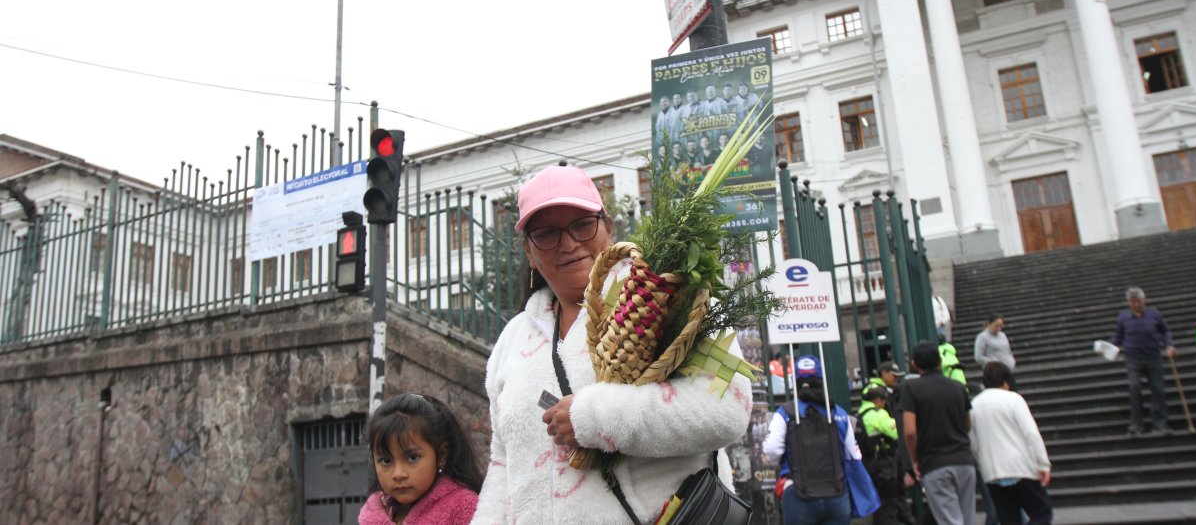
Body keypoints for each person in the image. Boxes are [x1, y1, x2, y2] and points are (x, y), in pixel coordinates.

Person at [471, 165, 751, 524]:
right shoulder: (512, 340)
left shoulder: (666, 300)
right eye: (546, 233)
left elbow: (727, 408)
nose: (568, 243)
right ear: (529, 253)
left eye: (582, 224)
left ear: (608, 226)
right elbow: (503, 461)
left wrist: (593, 418)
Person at [763, 355, 880, 525]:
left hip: (798, 494)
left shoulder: (786, 412)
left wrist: (776, 462)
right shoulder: (838, 413)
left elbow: (772, 450)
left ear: (795, 382)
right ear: (821, 381)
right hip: (836, 494)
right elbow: (853, 455)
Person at [359, 393, 483, 525]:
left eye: (412, 458)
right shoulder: (373, 514)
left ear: (442, 455)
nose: (398, 474)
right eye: (386, 461)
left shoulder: (464, 508)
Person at [898, 341, 975, 525]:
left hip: (934, 462)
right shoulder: (957, 386)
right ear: (940, 361)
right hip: (964, 459)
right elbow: (967, 423)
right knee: (967, 518)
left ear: (914, 364)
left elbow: (909, 432)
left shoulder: (911, 388)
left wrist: (914, 460)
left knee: (949, 520)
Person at [969, 362, 1052, 525]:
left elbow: (973, 442)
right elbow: (1031, 434)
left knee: (1009, 519)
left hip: (992, 472)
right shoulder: (1013, 399)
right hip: (1020, 468)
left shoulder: (973, 405)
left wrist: (982, 462)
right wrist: (1043, 464)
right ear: (1006, 381)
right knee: (1042, 513)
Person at [1110, 286, 1176, 436]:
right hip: (1133, 358)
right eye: (1133, 302)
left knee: (1157, 389)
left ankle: (1160, 424)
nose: (1136, 304)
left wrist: (1169, 345)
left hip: (1153, 355)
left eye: (1138, 301)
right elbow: (1118, 337)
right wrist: (1108, 347)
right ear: (1129, 302)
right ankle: (1136, 425)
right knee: (1135, 388)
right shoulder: (1124, 317)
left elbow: (1165, 331)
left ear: (1144, 300)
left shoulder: (1154, 314)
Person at [858, 388, 904, 525]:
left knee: (877, 505)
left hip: (867, 464)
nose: (885, 404)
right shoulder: (878, 414)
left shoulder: (858, 415)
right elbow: (896, 432)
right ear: (878, 400)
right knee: (888, 504)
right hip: (883, 465)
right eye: (884, 401)